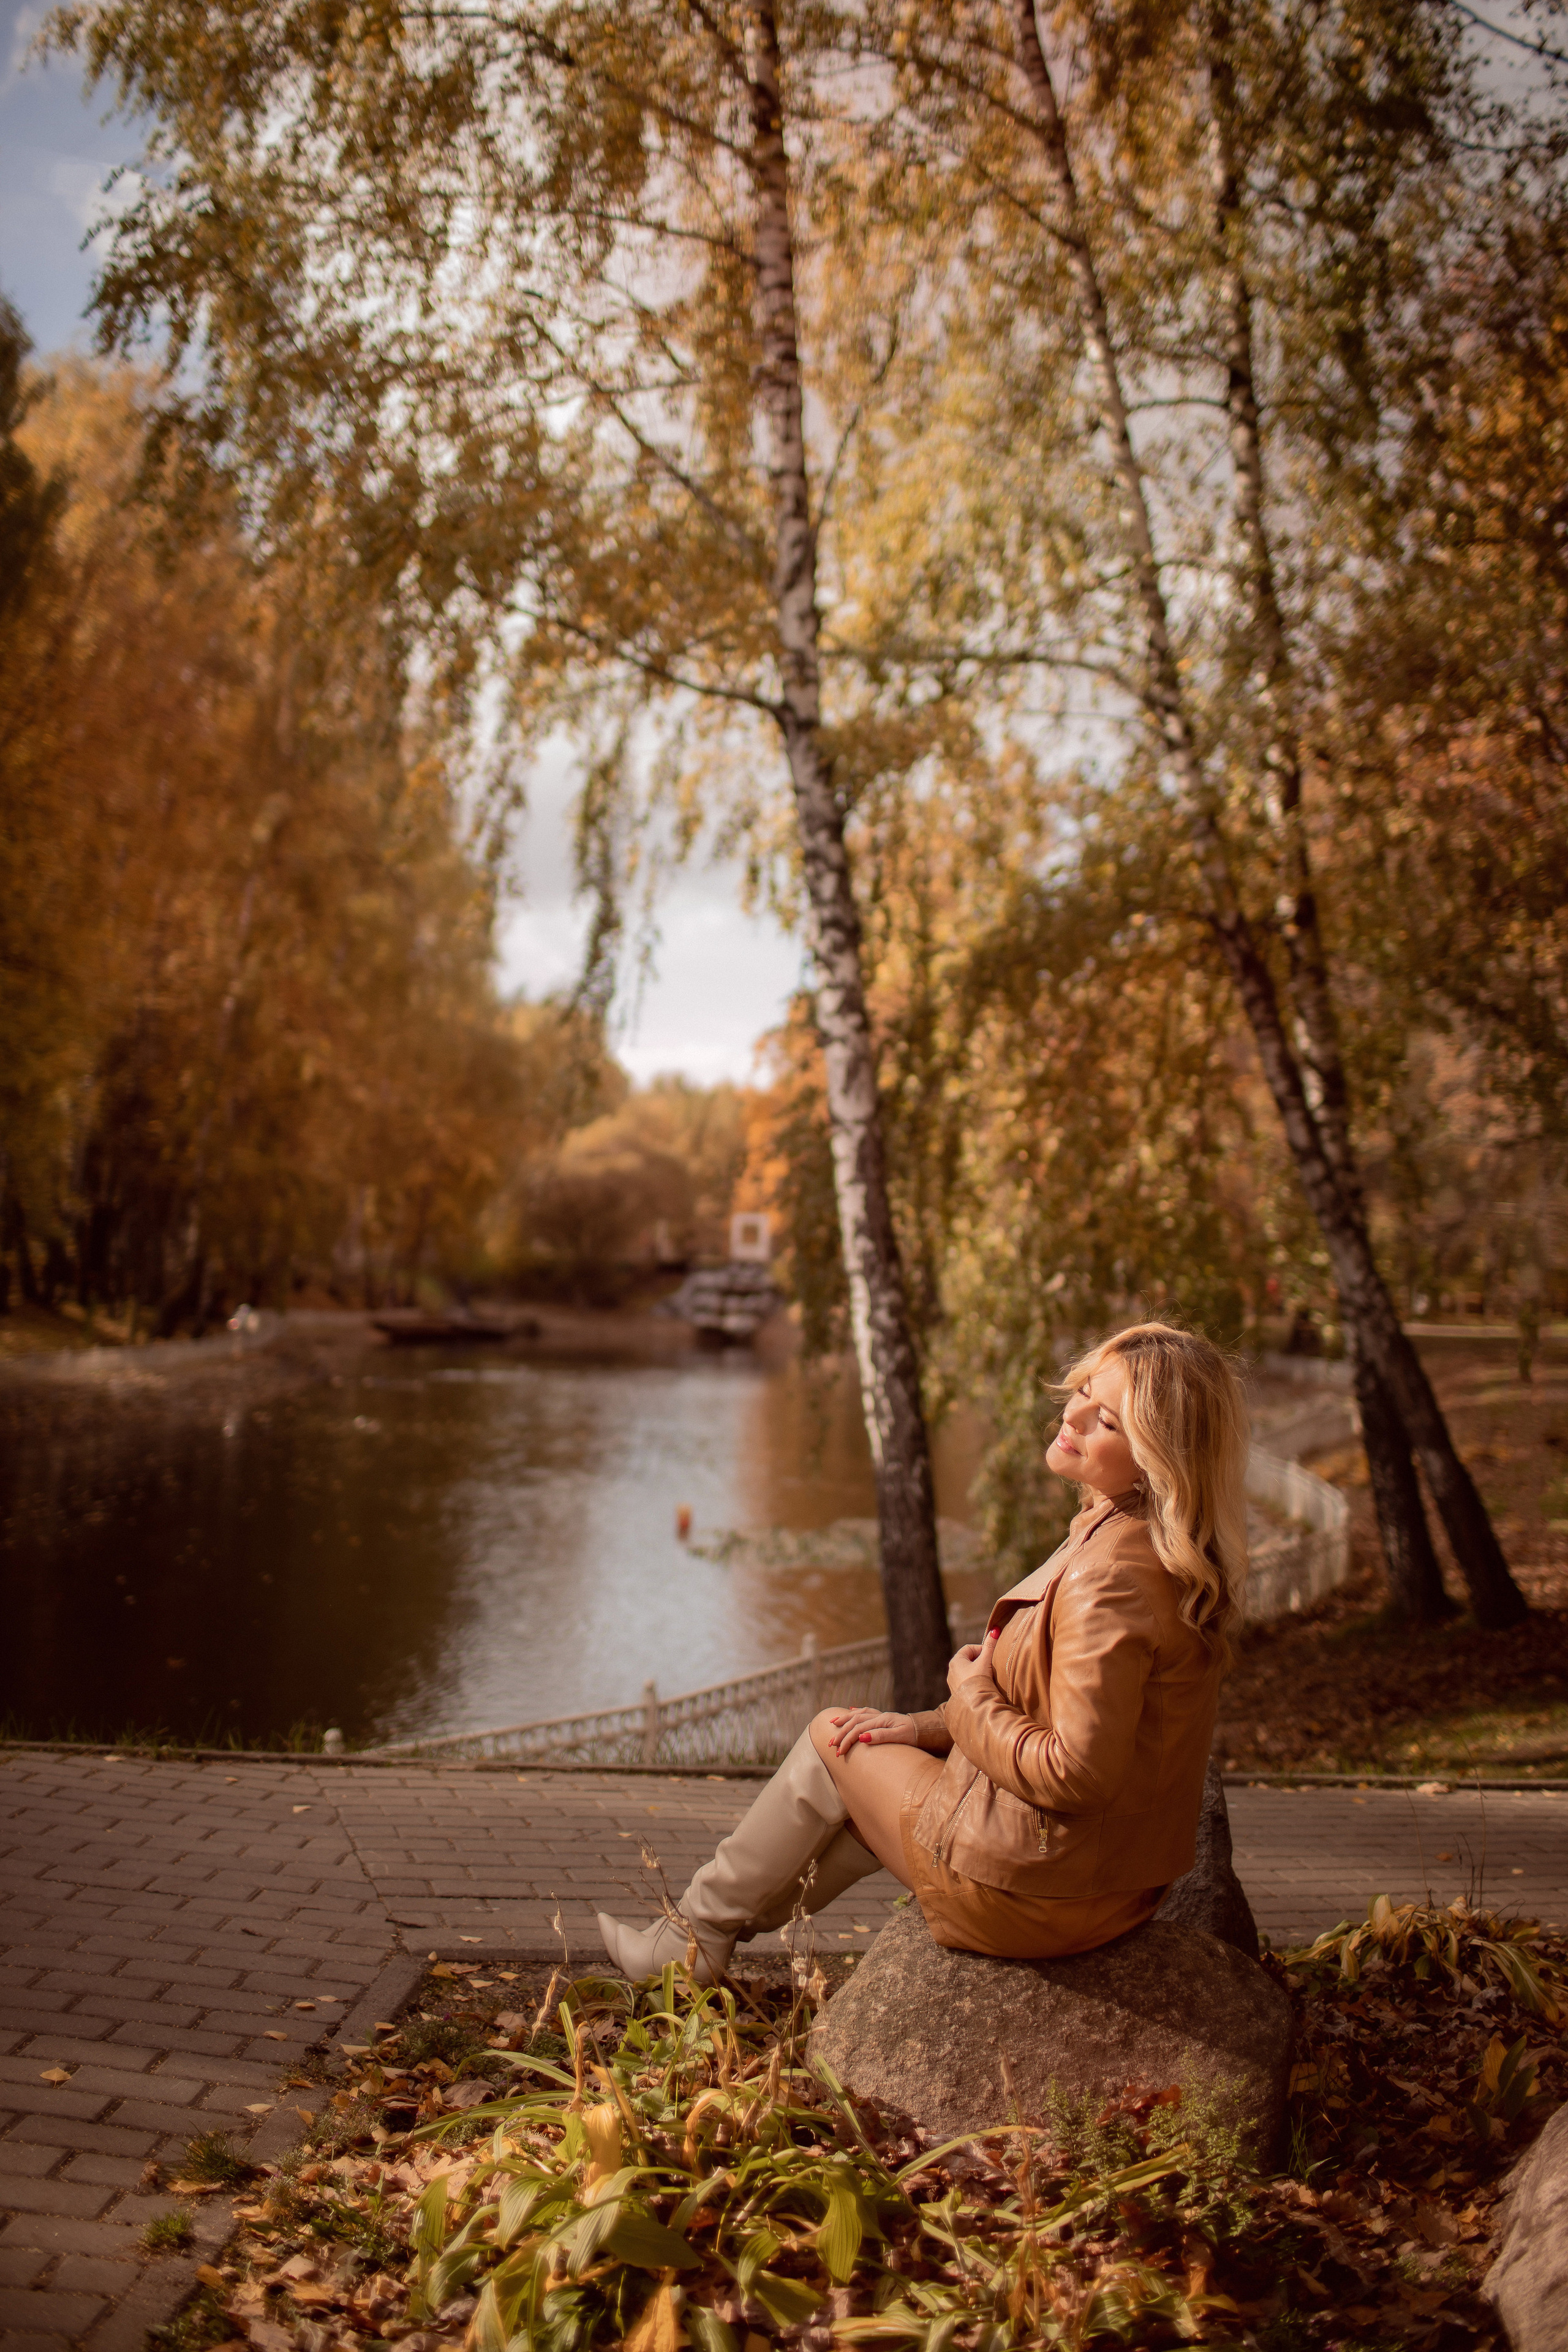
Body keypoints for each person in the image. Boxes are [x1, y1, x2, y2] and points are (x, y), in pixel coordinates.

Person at [597, 1321, 1250, 1981]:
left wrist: (967, 1696)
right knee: (865, 1749)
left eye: (1105, 1419)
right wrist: (921, 1727)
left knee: (833, 1737)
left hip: (1040, 1896)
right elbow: (1054, 1712)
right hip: (1106, 1888)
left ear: (1157, 1452)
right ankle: (708, 1935)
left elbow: (1074, 1773)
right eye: (1081, 1390)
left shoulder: (1109, 1578)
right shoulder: (1143, 1541)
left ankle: (690, 1941)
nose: (1072, 1414)